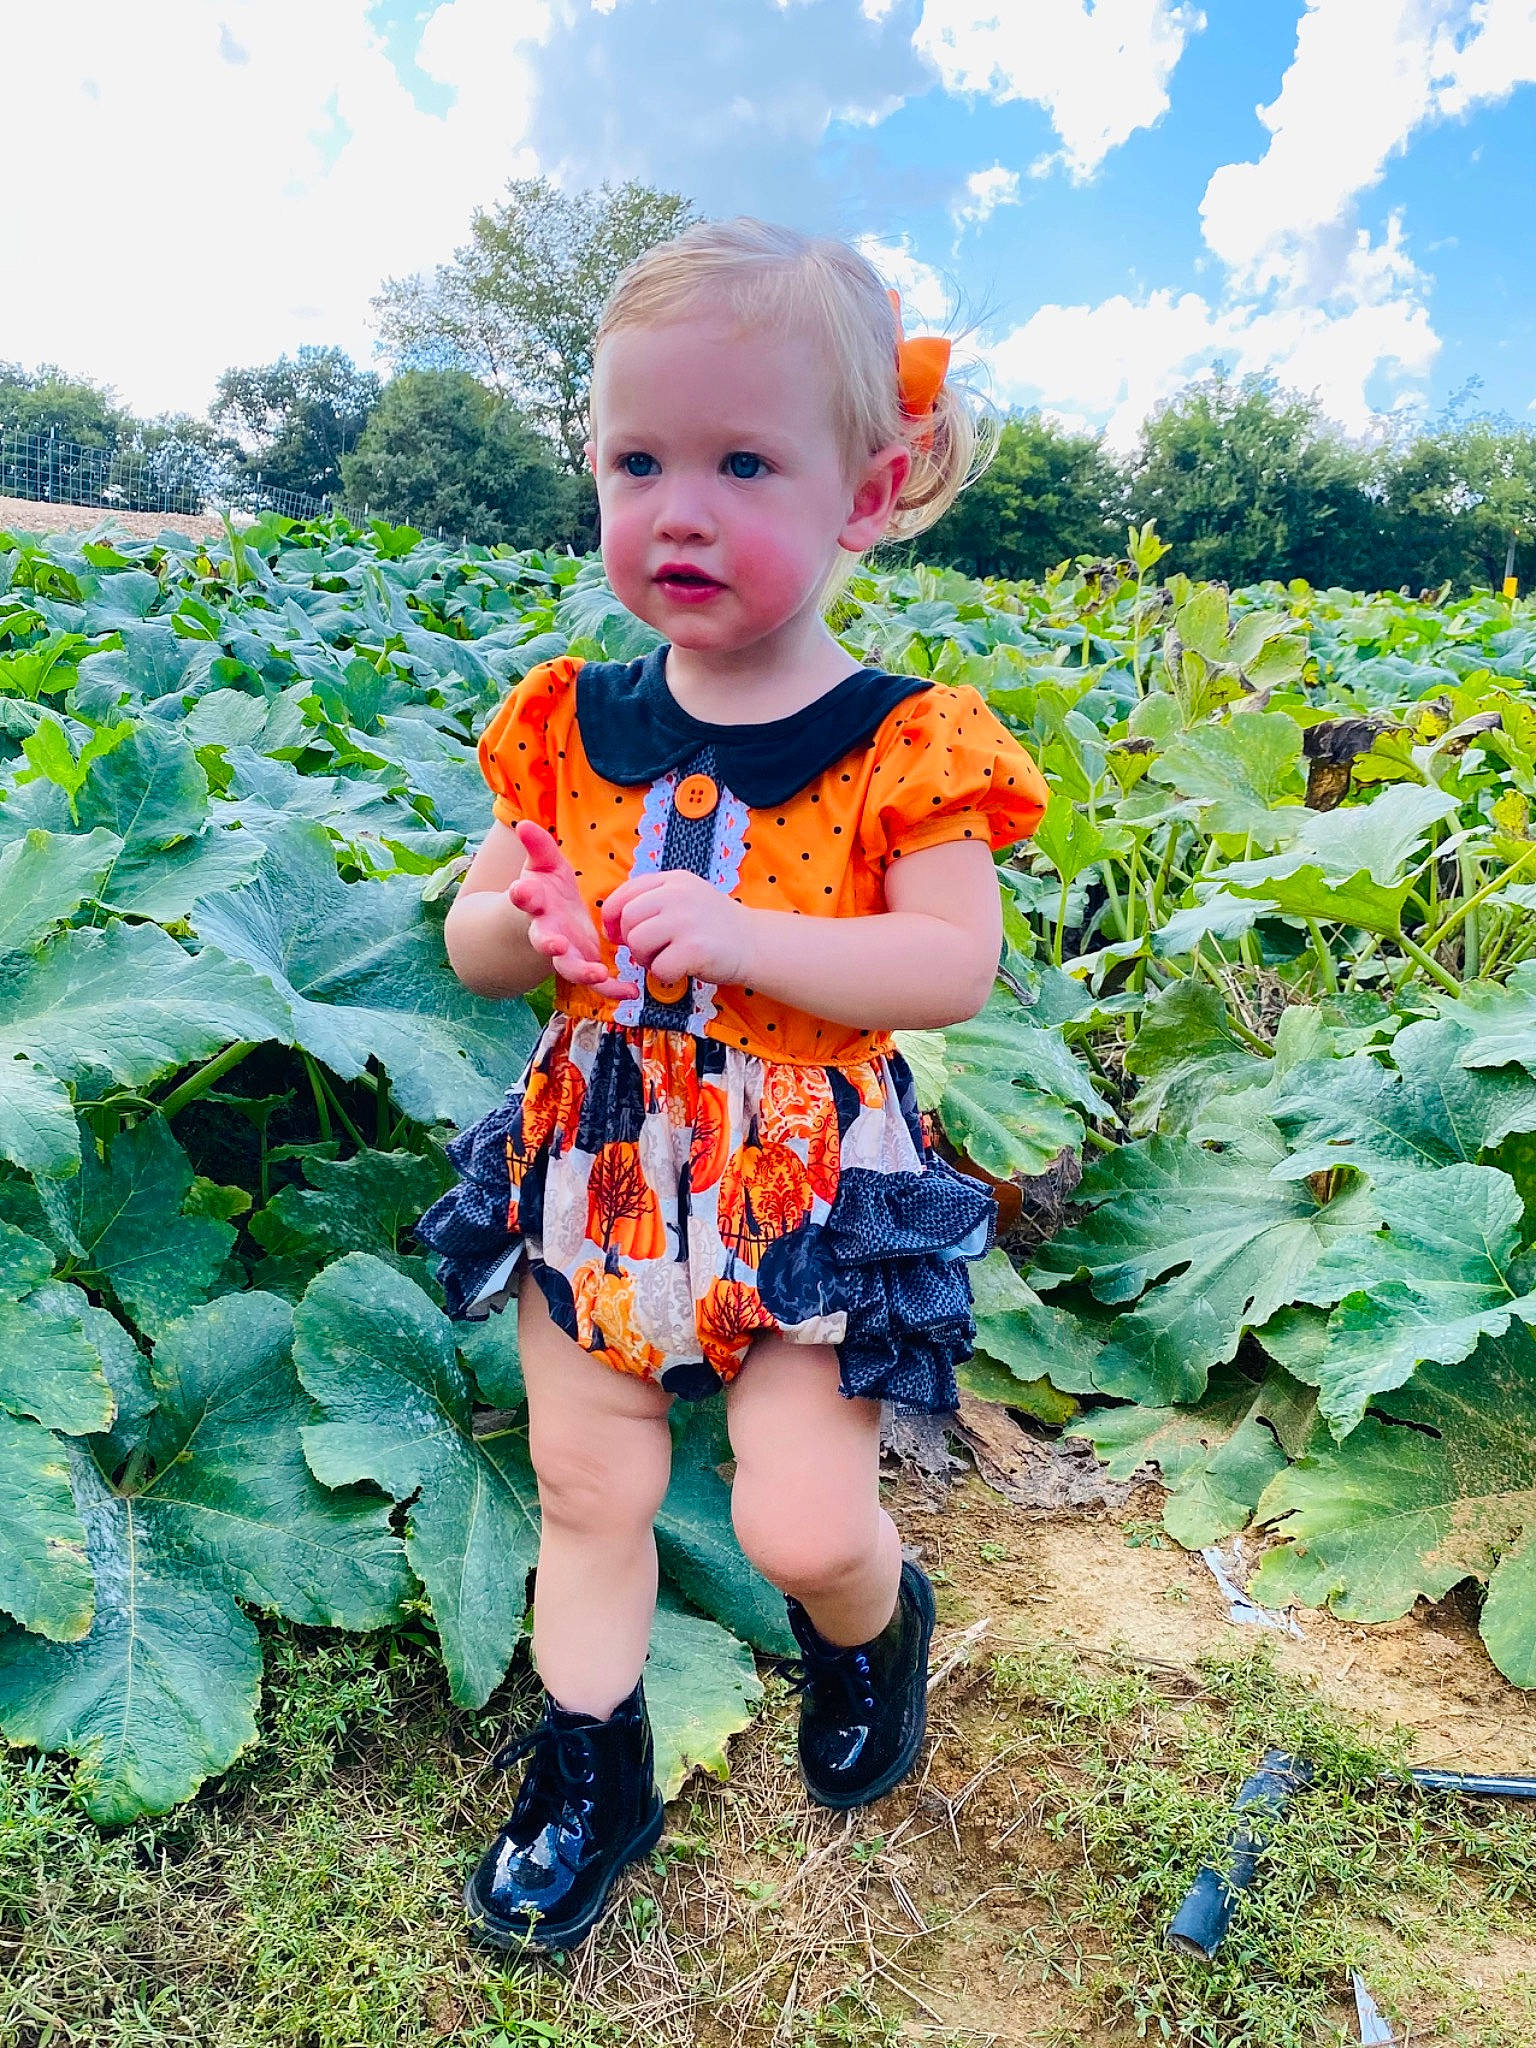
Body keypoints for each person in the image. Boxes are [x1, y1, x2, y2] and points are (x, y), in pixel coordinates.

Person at [416, 216, 1048, 1954]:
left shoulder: (906, 740)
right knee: (586, 1489)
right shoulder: (567, 721)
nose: (676, 507)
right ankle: (585, 1771)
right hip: (600, 1163)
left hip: (800, 1185)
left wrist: (745, 933)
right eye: (638, 461)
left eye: (740, 461)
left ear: (871, 485)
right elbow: (472, 930)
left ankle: (871, 1624)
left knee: (791, 1517)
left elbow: (947, 970)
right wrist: (531, 930)